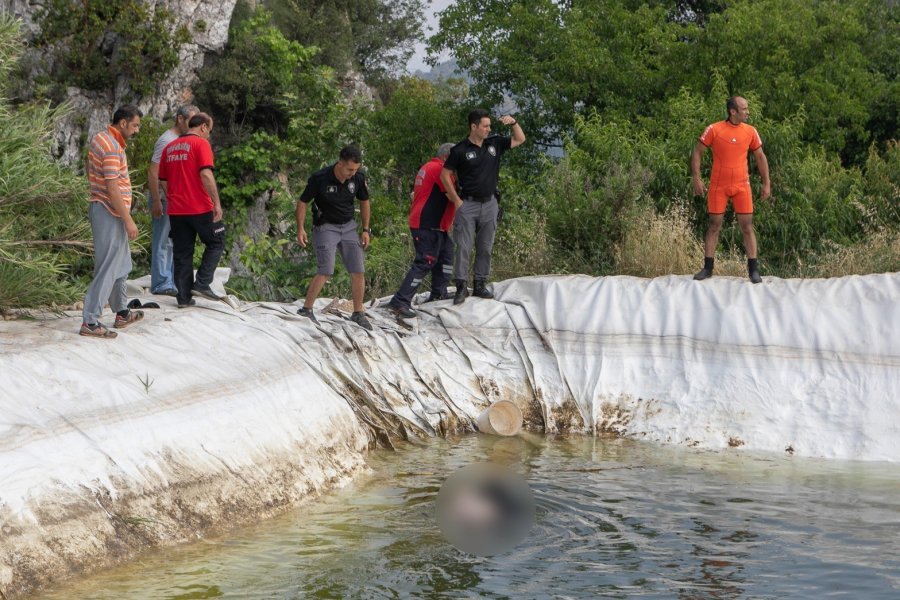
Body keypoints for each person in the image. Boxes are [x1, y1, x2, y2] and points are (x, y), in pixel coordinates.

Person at [441, 108, 525, 305]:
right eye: (485, 126)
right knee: (464, 246)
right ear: (474, 127)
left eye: (489, 126)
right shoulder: (460, 150)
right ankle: (461, 286)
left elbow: (520, 139)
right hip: (467, 203)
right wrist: (456, 200)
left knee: (485, 246)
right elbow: (445, 174)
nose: (489, 129)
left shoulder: (494, 143)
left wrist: (513, 123)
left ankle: (479, 283)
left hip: (489, 203)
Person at [691, 96, 771, 283]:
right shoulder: (714, 129)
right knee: (714, 225)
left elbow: (760, 157)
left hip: (742, 185)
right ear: (733, 111)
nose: (748, 112)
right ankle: (708, 268)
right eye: (744, 109)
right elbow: (697, 152)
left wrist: (767, 183)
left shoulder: (750, 131)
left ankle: (753, 270)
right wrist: (696, 179)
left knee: (747, 226)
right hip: (719, 185)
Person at [80, 105, 144, 339]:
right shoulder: (111, 147)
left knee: (122, 264)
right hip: (109, 212)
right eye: (135, 125)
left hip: (108, 210)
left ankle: (122, 312)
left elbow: (90, 168)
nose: (137, 130)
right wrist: (128, 220)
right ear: (123, 123)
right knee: (108, 266)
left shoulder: (102, 138)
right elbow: (113, 187)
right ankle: (90, 320)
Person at [295, 145, 373, 331]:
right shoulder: (320, 178)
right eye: (350, 169)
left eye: (356, 169)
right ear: (340, 164)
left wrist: (365, 229)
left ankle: (358, 313)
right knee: (325, 270)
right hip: (326, 226)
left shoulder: (358, 178)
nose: (352, 173)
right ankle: (306, 309)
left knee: (358, 270)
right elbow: (303, 202)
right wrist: (300, 229)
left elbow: (364, 201)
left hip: (348, 227)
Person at [157, 112, 225, 308]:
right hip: (200, 206)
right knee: (216, 241)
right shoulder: (201, 144)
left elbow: (162, 179)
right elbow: (206, 174)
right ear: (203, 127)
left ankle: (183, 298)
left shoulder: (169, 147)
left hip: (177, 210)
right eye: (209, 130)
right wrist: (216, 203)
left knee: (182, 252)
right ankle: (202, 283)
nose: (209, 135)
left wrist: (174, 197)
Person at [385, 143, 457, 318]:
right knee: (425, 261)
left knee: (446, 257)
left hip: (437, 226)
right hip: (427, 224)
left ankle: (439, 293)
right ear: (448, 157)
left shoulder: (428, 166)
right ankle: (400, 301)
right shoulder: (440, 169)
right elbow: (453, 195)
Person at [146, 104, 199, 296]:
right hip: (164, 199)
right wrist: (157, 200)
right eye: (191, 121)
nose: (193, 125)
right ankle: (161, 283)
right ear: (180, 119)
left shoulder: (183, 140)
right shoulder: (166, 140)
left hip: (177, 201)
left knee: (174, 242)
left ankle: (174, 282)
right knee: (162, 241)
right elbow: (153, 171)